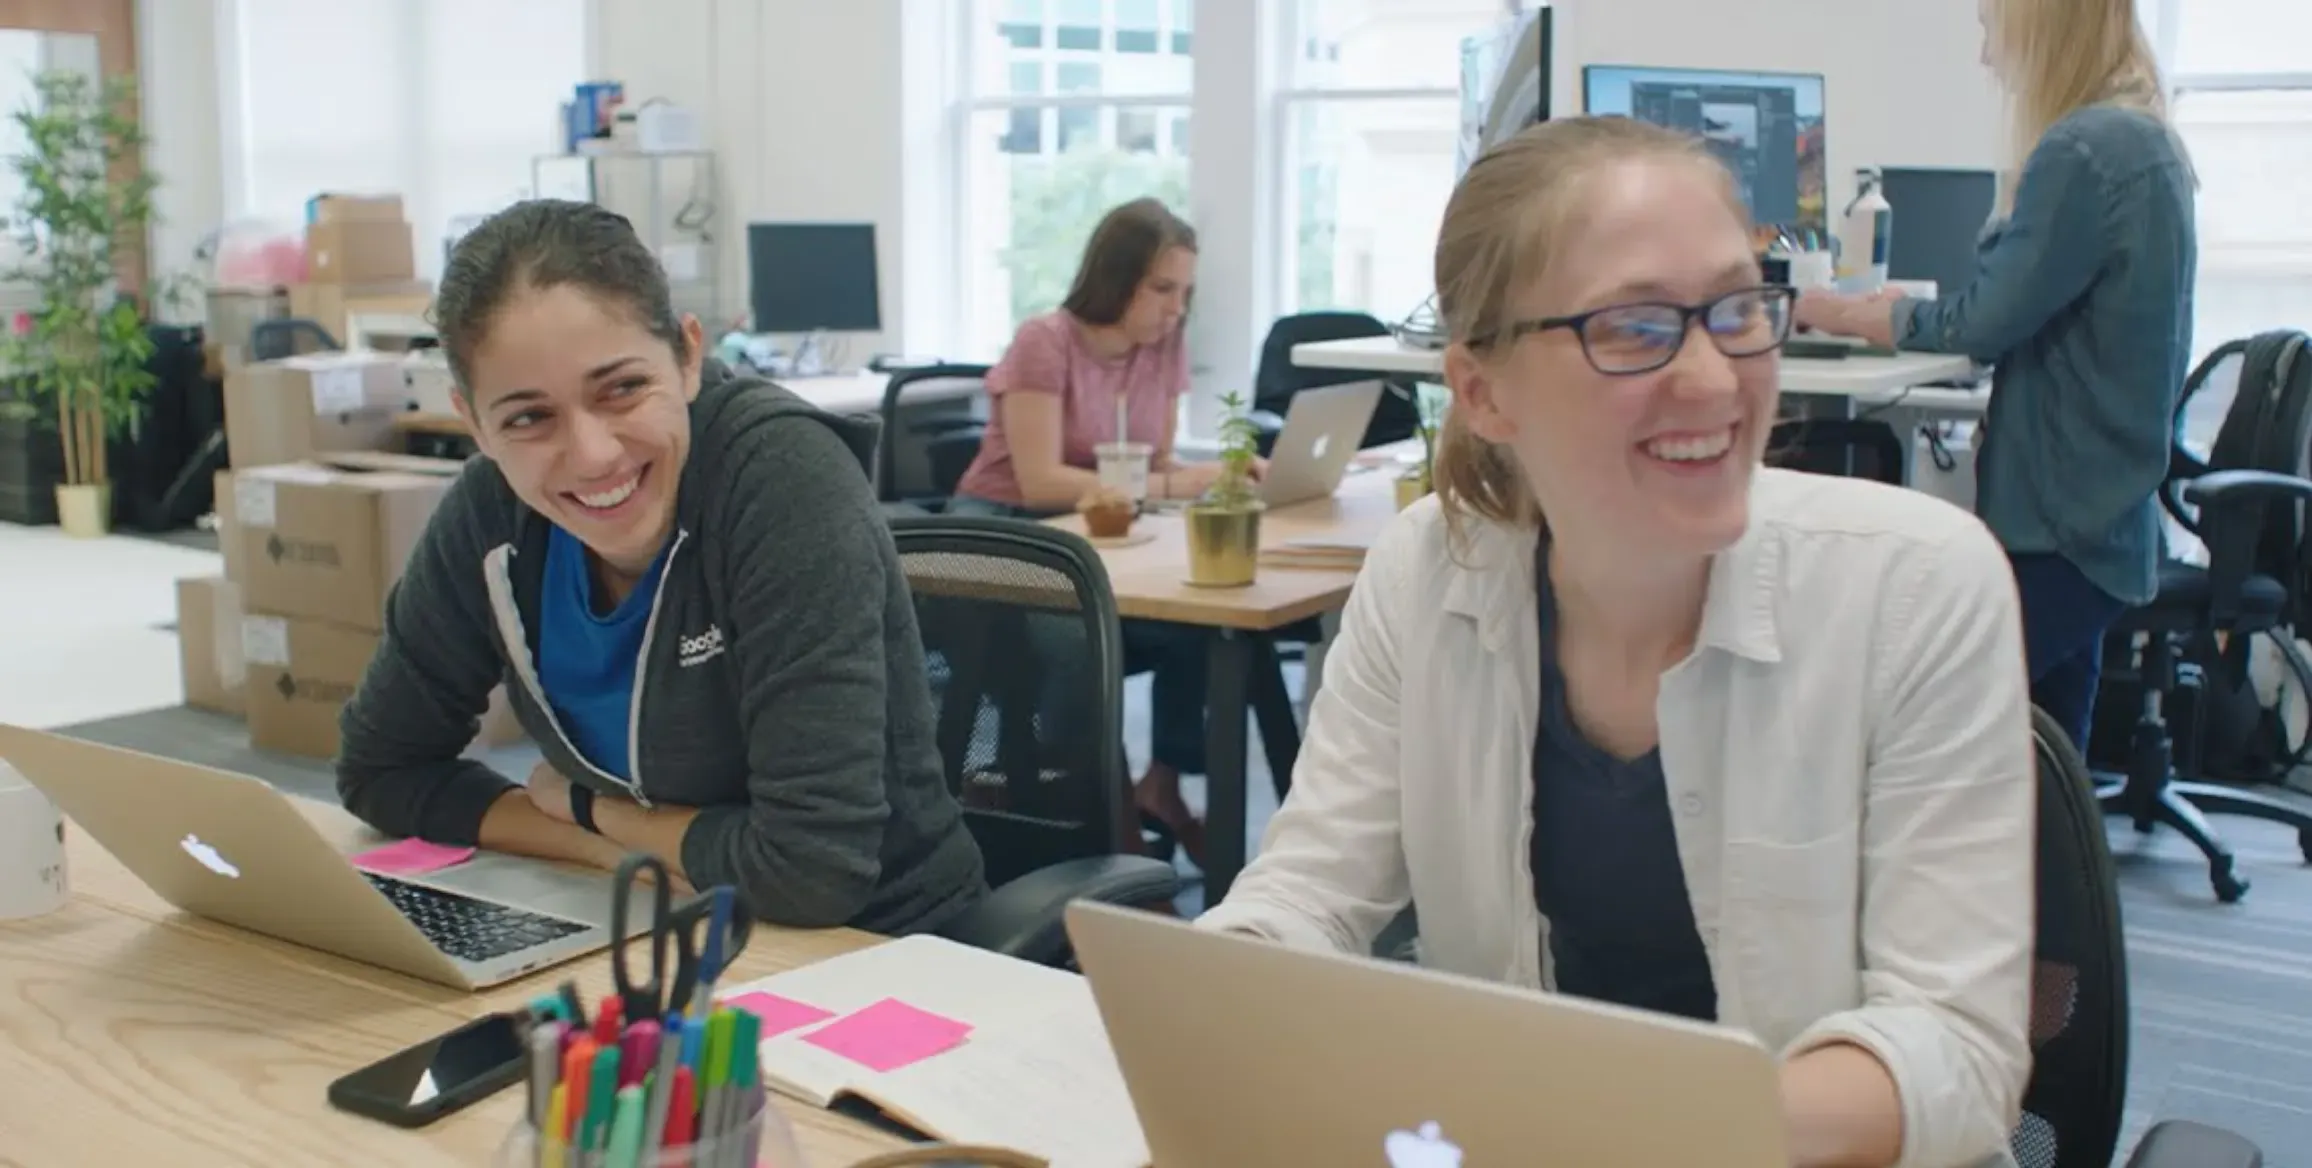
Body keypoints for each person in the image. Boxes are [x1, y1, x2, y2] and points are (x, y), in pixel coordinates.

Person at [1198, 118, 2037, 1168]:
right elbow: (1307, 893)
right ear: (1481, 391)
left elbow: (1953, 1052)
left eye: (1738, 310)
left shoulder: (1916, 585)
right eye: (1635, 328)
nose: (1715, 379)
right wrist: (1213, 1006)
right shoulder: (1425, 572)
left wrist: (1615, 1134)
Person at [334, 199, 989, 934]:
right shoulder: (494, 512)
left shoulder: (779, 482)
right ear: (473, 421)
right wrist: (603, 844)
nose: (592, 454)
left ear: (686, 357)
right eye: (528, 417)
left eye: (620, 388)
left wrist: (587, 805)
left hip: (873, 950)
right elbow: (380, 771)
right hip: (651, 923)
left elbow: (813, 873)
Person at [1793, 0, 2194, 750]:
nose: (1986, 56)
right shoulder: (2144, 136)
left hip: (2059, 530)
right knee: (2043, 768)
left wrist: (1838, 313)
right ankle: (2054, 874)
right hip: (2104, 526)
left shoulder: (2084, 149)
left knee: (1927, 722)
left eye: (1991, 30)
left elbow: (1981, 326)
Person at [950, 197, 1255, 863]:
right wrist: (1174, 486)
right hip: (1012, 530)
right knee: (1079, 644)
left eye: (1186, 292)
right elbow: (1039, 479)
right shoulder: (1046, 341)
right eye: (1162, 289)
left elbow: (1163, 461)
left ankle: (1160, 788)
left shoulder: (1164, 347)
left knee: (1202, 626)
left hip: (1106, 530)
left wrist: (1224, 473)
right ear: (1117, 278)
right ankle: (1091, 831)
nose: (1176, 309)